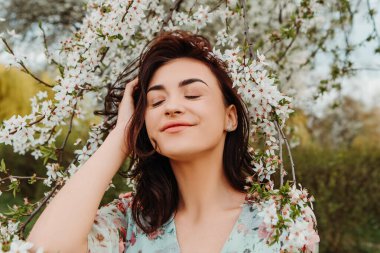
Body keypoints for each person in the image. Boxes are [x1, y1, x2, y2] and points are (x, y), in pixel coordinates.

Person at [27, 30, 280, 253]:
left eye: (192, 95)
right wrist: (121, 137)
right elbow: (44, 249)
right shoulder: (130, 222)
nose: (171, 107)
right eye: (156, 102)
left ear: (230, 117)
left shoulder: (278, 219)